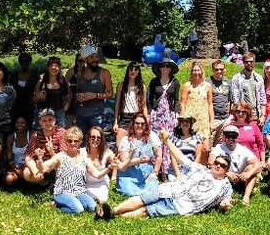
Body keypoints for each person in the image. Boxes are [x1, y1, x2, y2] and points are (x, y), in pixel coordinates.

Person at [95, 128, 233, 219]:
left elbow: (224, 202)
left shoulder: (225, 186)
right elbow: (180, 157)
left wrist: (225, 205)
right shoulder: (200, 168)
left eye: (222, 165)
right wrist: (166, 141)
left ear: (226, 170)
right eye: (217, 163)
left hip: (182, 204)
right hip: (171, 189)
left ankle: (113, 216)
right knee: (143, 198)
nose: (218, 166)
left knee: (147, 210)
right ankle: (112, 211)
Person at [39, 127, 107, 214]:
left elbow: (97, 175)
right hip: (62, 192)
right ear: (66, 142)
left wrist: (110, 167)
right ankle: (56, 205)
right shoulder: (60, 156)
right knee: (78, 209)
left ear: (80, 142)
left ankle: (97, 212)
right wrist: (40, 159)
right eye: (70, 141)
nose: (73, 143)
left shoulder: (84, 157)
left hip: (80, 192)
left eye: (76, 141)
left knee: (92, 207)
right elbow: (43, 168)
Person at [211, 124, 261, 205]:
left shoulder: (243, 149)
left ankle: (246, 197)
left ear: (237, 137)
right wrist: (226, 173)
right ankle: (224, 198)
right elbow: (211, 163)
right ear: (224, 137)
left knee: (251, 168)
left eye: (233, 136)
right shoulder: (218, 148)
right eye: (228, 136)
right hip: (223, 178)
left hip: (240, 178)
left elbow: (258, 164)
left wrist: (248, 173)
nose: (231, 139)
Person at [115, 114, 162, 196]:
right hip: (128, 174)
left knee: (152, 192)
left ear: (146, 125)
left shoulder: (152, 137)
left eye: (142, 124)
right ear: (133, 124)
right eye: (137, 123)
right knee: (130, 192)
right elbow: (124, 164)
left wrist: (155, 172)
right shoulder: (125, 140)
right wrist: (139, 160)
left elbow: (159, 155)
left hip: (147, 174)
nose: (140, 126)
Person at [148, 55, 180, 173]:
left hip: (169, 115)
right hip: (156, 115)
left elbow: (176, 100)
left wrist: (177, 115)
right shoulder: (154, 82)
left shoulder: (175, 82)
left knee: (167, 140)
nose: (165, 68)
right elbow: (150, 100)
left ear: (171, 68)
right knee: (155, 140)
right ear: (160, 68)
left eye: (168, 66)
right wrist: (148, 114)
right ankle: (154, 167)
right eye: (163, 66)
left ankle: (165, 170)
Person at [74, 46, 113, 134]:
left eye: (96, 57)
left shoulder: (104, 73)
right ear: (85, 59)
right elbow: (77, 90)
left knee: (95, 140)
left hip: (96, 115)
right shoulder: (80, 72)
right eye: (92, 57)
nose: (95, 60)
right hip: (80, 114)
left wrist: (95, 95)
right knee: (81, 141)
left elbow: (110, 94)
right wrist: (78, 96)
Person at [23, 108, 66, 184]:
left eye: (50, 120)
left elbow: (64, 157)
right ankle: (43, 181)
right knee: (26, 173)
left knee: (59, 158)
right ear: (40, 122)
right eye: (44, 121)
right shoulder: (36, 135)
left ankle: (56, 182)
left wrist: (51, 152)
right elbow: (28, 157)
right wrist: (36, 172)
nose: (47, 123)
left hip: (56, 166)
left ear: (55, 120)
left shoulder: (61, 132)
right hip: (40, 166)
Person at [112, 61, 148, 143]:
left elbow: (144, 105)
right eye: (131, 69)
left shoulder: (142, 87)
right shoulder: (121, 85)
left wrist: (146, 122)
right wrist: (115, 122)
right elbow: (117, 104)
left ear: (138, 72)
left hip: (137, 116)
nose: (133, 72)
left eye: (136, 70)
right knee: (119, 143)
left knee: (135, 143)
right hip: (124, 116)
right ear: (128, 70)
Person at [180, 61, 214, 141]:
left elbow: (210, 104)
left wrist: (211, 121)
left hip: (203, 120)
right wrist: (182, 119)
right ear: (191, 72)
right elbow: (183, 103)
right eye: (194, 70)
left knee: (205, 147)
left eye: (198, 70)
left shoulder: (207, 86)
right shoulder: (187, 85)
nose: (196, 72)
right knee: (191, 143)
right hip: (191, 119)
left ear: (202, 71)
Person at [34, 56, 71, 128]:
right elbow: (34, 100)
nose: (54, 68)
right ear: (48, 68)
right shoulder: (41, 81)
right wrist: (38, 96)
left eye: (56, 66)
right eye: (51, 65)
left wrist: (67, 106)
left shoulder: (62, 80)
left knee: (60, 136)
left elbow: (69, 93)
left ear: (59, 68)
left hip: (59, 113)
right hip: (44, 114)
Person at [229, 52, 266, 124]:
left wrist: (263, 115)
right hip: (242, 114)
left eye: (251, 61)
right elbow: (235, 99)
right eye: (246, 62)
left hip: (256, 114)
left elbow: (262, 97)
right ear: (243, 62)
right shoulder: (236, 78)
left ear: (254, 62)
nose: (249, 63)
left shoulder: (259, 78)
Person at [83, 126, 117, 203]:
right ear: (88, 138)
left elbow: (116, 161)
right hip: (87, 183)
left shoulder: (106, 152)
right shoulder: (82, 152)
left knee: (102, 199)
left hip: (101, 183)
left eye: (98, 138)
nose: (95, 140)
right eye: (92, 137)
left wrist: (114, 175)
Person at [4, 115, 32, 186]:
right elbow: (9, 159)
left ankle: (25, 180)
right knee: (9, 179)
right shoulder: (11, 137)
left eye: (23, 123)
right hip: (16, 165)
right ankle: (23, 179)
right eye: (17, 122)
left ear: (27, 124)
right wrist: (16, 169)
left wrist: (26, 166)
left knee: (29, 174)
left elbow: (34, 154)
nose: (20, 125)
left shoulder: (31, 135)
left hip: (29, 164)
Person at [209, 59, 232, 141]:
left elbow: (229, 100)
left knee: (220, 146)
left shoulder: (228, 83)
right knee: (209, 146)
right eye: (216, 69)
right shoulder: (208, 83)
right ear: (213, 70)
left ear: (224, 69)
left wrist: (228, 116)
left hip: (225, 119)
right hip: (212, 120)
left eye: (221, 69)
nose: (219, 71)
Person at [11, 51, 37, 124]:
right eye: (22, 62)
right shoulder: (14, 76)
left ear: (30, 62)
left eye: (26, 61)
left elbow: (38, 90)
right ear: (19, 63)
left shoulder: (34, 76)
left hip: (29, 106)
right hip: (16, 106)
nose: (24, 64)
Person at [64, 52, 85, 127]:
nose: (82, 63)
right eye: (80, 61)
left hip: (84, 96)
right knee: (70, 117)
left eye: (84, 61)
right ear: (76, 61)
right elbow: (65, 84)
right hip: (72, 96)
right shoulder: (71, 71)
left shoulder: (88, 71)